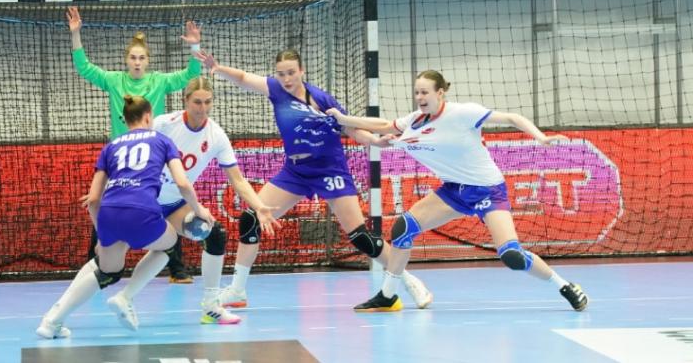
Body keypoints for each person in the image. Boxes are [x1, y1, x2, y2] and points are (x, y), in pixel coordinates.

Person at [325, 70, 590, 312]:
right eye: (416, 92)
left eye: (425, 92)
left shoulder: (463, 113)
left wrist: (541, 137)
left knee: (511, 255)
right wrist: (343, 119)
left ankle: (565, 286)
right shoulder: (415, 121)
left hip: (488, 191)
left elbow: (511, 117)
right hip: (454, 191)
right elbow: (384, 126)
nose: (420, 97)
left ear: (440, 93)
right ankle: (388, 295)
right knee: (404, 228)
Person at [195, 48, 433, 311]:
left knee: (360, 236)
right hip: (295, 171)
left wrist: (375, 142)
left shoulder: (320, 98)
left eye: (291, 73)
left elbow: (350, 128)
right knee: (251, 219)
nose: (286, 79)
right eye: (281, 74)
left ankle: (409, 281)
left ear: (302, 71)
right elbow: (242, 78)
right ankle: (237, 290)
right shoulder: (275, 89)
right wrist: (217, 68)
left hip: (329, 169)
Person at [36, 95, 216, 338]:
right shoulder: (162, 140)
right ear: (148, 117)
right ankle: (126, 297)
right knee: (169, 245)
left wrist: (102, 236)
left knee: (107, 272)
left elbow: (93, 200)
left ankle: (51, 322)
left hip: (109, 213)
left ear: (126, 119)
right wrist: (199, 209)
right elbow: (183, 184)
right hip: (142, 210)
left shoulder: (111, 146)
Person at [68, 6, 198, 282]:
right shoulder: (114, 80)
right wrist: (76, 34)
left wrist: (195, 46)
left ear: (147, 61)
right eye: (133, 58)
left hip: (152, 158)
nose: (137, 62)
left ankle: (177, 269)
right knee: (101, 203)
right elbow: (84, 68)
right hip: (120, 159)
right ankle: (97, 265)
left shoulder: (159, 81)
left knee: (163, 203)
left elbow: (191, 75)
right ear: (126, 60)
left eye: (141, 58)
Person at [152, 76, 282, 324]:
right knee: (108, 262)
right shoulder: (164, 124)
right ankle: (121, 297)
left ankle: (211, 306)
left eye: (207, 102)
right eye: (197, 102)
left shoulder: (216, 135)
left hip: (175, 207)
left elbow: (238, 180)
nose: (202, 108)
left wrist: (259, 206)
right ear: (185, 100)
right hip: (144, 200)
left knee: (213, 233)